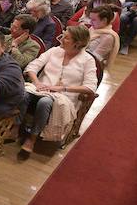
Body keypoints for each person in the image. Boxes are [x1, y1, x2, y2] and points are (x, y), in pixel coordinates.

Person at [19, 26, 98, 159]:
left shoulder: (87, 60)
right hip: (40, 89)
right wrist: (37, 82)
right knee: (23, 93)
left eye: (66, 38)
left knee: (46, 102)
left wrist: (62, 88)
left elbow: (90, 87)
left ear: (77, 43)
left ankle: (32, 138)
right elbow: (32, 67)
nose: (61, 39)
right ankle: (16, 127)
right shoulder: (55, 51)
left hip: (64, 97)